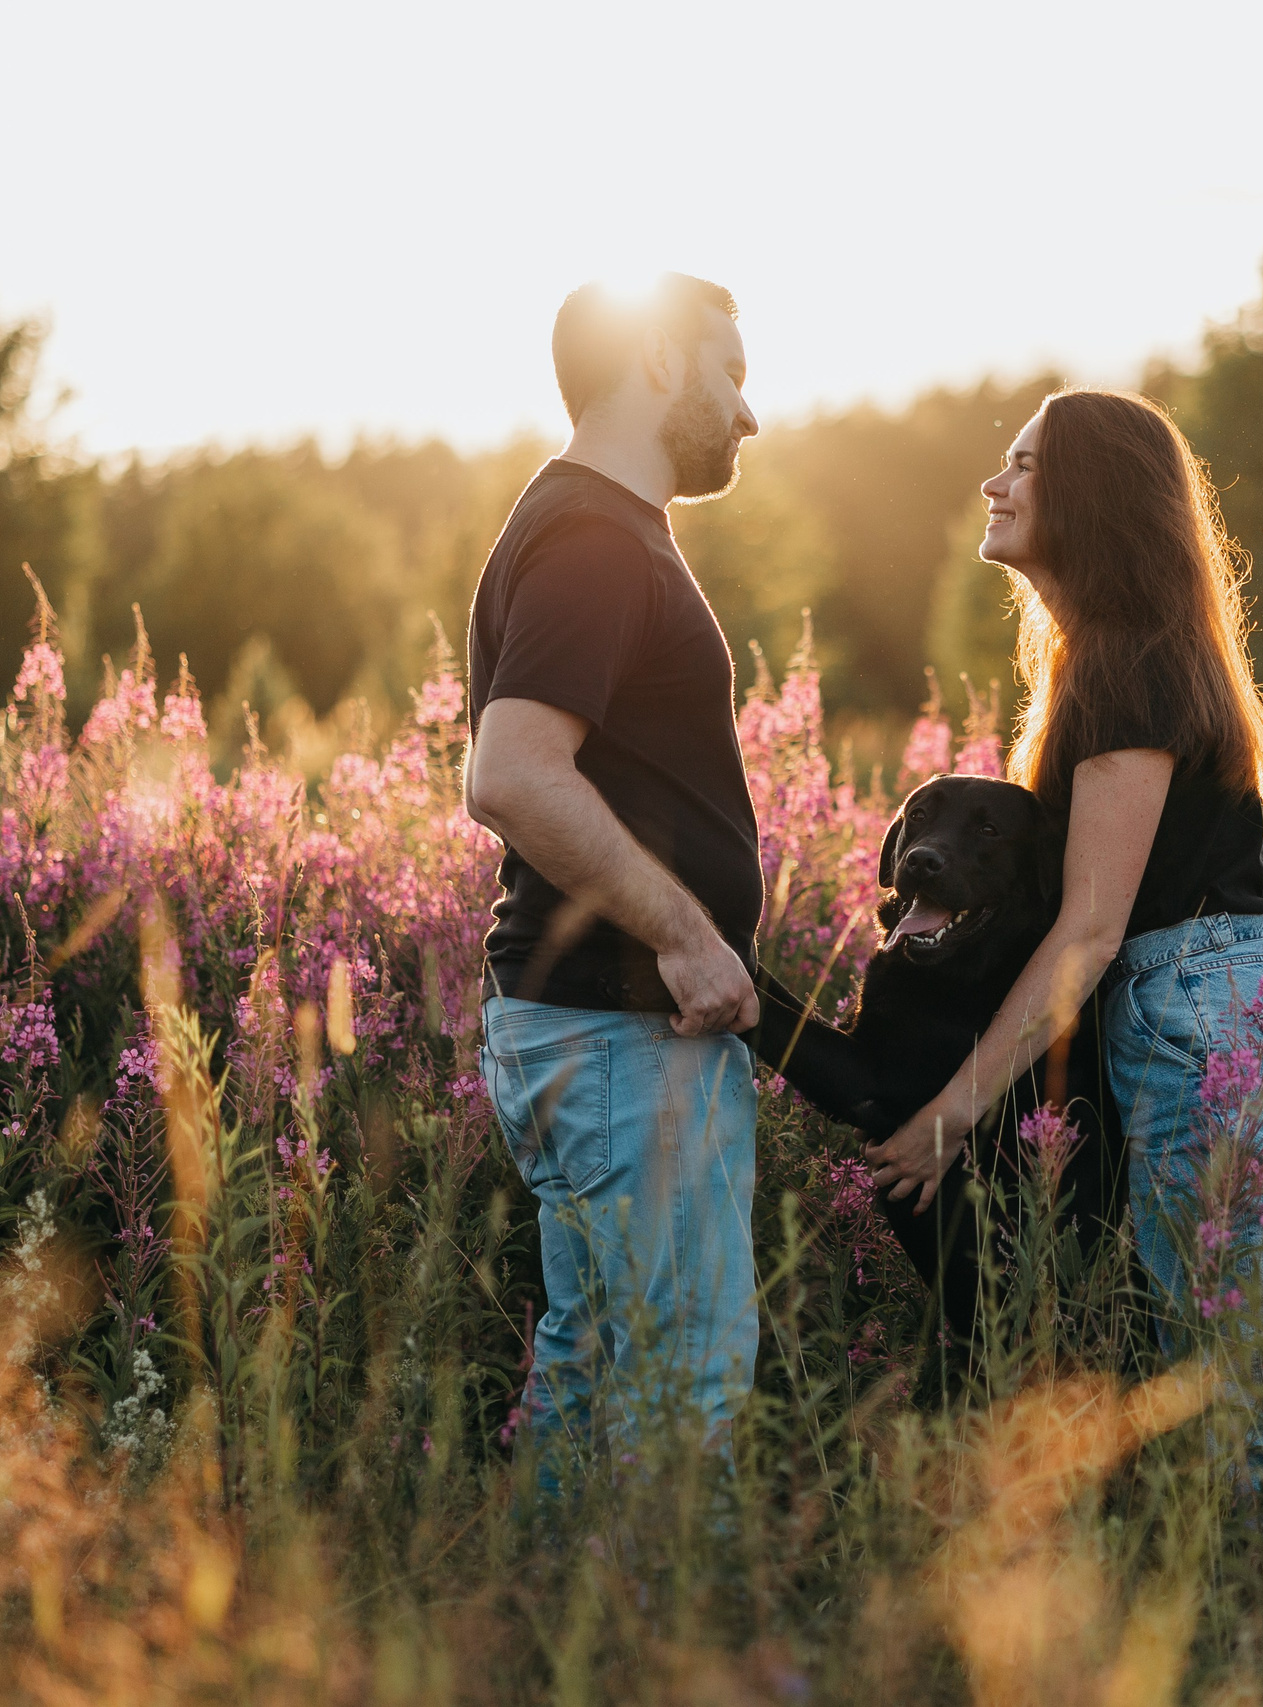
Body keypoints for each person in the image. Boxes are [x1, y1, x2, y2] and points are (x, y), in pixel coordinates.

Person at [861, 388, 1263, 1352]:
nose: (995, 482)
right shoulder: (1113, 659)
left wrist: (953, 1113)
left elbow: (1088, 928)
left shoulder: (1128, 664)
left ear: (1096, 494)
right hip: (1201, 1012)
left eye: (1027, 465)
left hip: (1203, 1024)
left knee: (1244, 1381)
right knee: (1230, 1369)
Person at [463, 273, 764, 1468]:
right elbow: (513, 775)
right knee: (680, 1388)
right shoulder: (592, 537)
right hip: (620, 1042)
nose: (747, 413)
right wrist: (687, 936)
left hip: (600, 1039)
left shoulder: (596, 527)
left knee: (594, 1379)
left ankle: (538, 1641)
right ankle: (670, 1651)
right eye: (728, 372)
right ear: (653, 365)